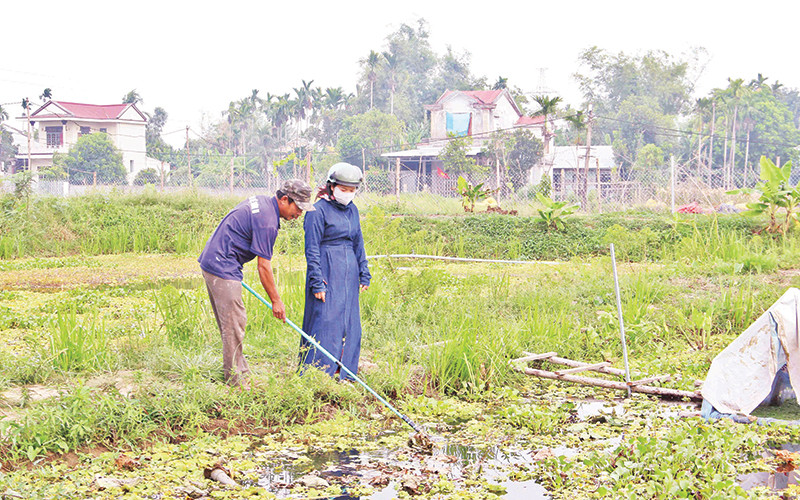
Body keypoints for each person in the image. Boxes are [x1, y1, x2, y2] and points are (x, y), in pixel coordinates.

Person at [199, 179, 315, 387]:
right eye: (298, 208)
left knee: (231, 326)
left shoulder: (263, 202)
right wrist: (276, 301)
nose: (299, 214)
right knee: (234, 325)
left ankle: (241, 372)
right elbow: (264, 267)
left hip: (215, 259)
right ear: (284, 199)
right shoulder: (268, 221)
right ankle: (236, 383)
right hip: (222, 265)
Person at [301, 163, 371, 381]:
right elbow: (312, 249)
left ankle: (345, 371)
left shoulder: (352, 210)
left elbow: (358, 242)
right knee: (325, 320)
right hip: (327, 269)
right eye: (343, 189)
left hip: (349, 271)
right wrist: (317, 281)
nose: (348, 194)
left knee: (349, 321)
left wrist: (364, 271)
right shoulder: (317, 211)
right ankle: (319, 372)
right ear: (332, 187)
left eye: (352, 190)